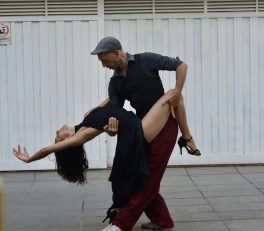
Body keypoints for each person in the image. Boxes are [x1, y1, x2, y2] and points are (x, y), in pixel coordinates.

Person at [89, 37, 201, 231]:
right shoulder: (115, 83)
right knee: (142, 175)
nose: (104, 66)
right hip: (143, 129)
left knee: (148, 180)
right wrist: (112, 130)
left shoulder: (146, 60)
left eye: (105, 61)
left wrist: (177, 92)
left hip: (166, 125)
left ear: (117, 53)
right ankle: (162, 220)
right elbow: (116, 114)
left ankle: (120, 224)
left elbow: (181, 65)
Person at [12, 89, 175, 218]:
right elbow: (46, 150)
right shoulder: (81, 136)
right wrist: (29, 160)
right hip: (138, 131)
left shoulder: (86, 117)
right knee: (172, 94)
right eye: (57, 138)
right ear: (64, 142)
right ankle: (188, 140)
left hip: (133, 127)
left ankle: (159, 219)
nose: (56, 131)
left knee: (172, 95)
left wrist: (120, 85)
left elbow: (112, 99)